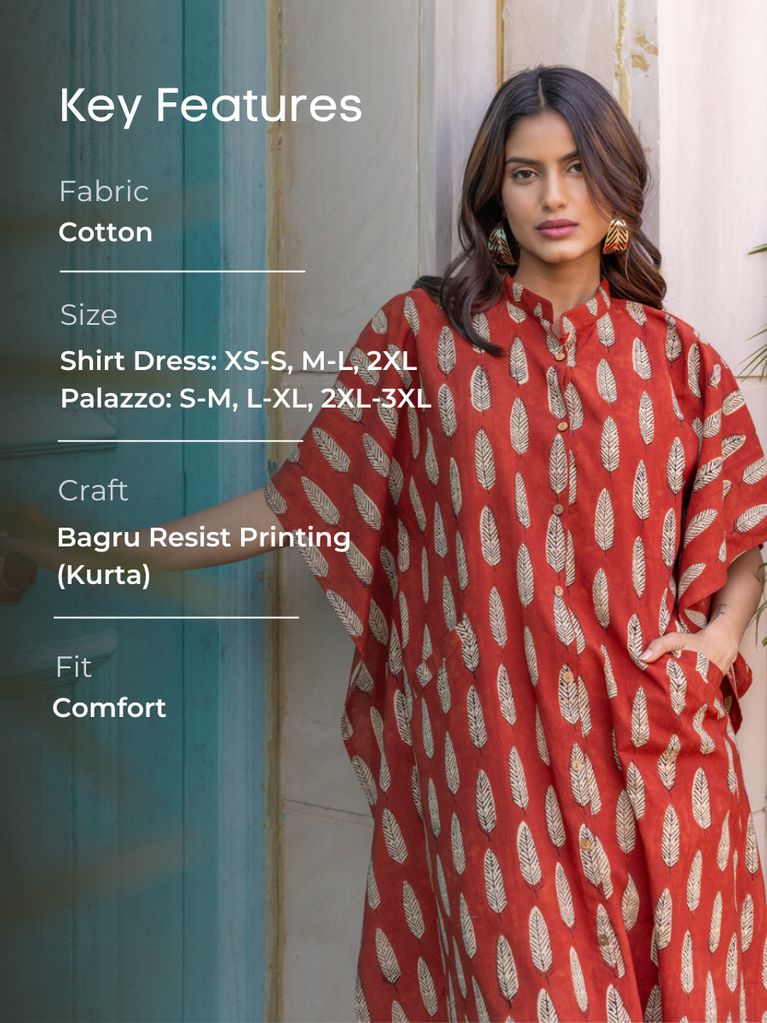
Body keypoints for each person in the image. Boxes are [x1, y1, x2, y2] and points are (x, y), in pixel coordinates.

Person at [6, 64, 767, 1022]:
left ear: (615, 179)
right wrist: (85, 550)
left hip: (659, 769)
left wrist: (716, 640)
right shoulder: (420, 340)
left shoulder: (677, 359)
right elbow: (295, 502)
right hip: (494, 775)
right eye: (525, 172)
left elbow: (738, 523)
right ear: (493, 191)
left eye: (576, 166)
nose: (553, 195)